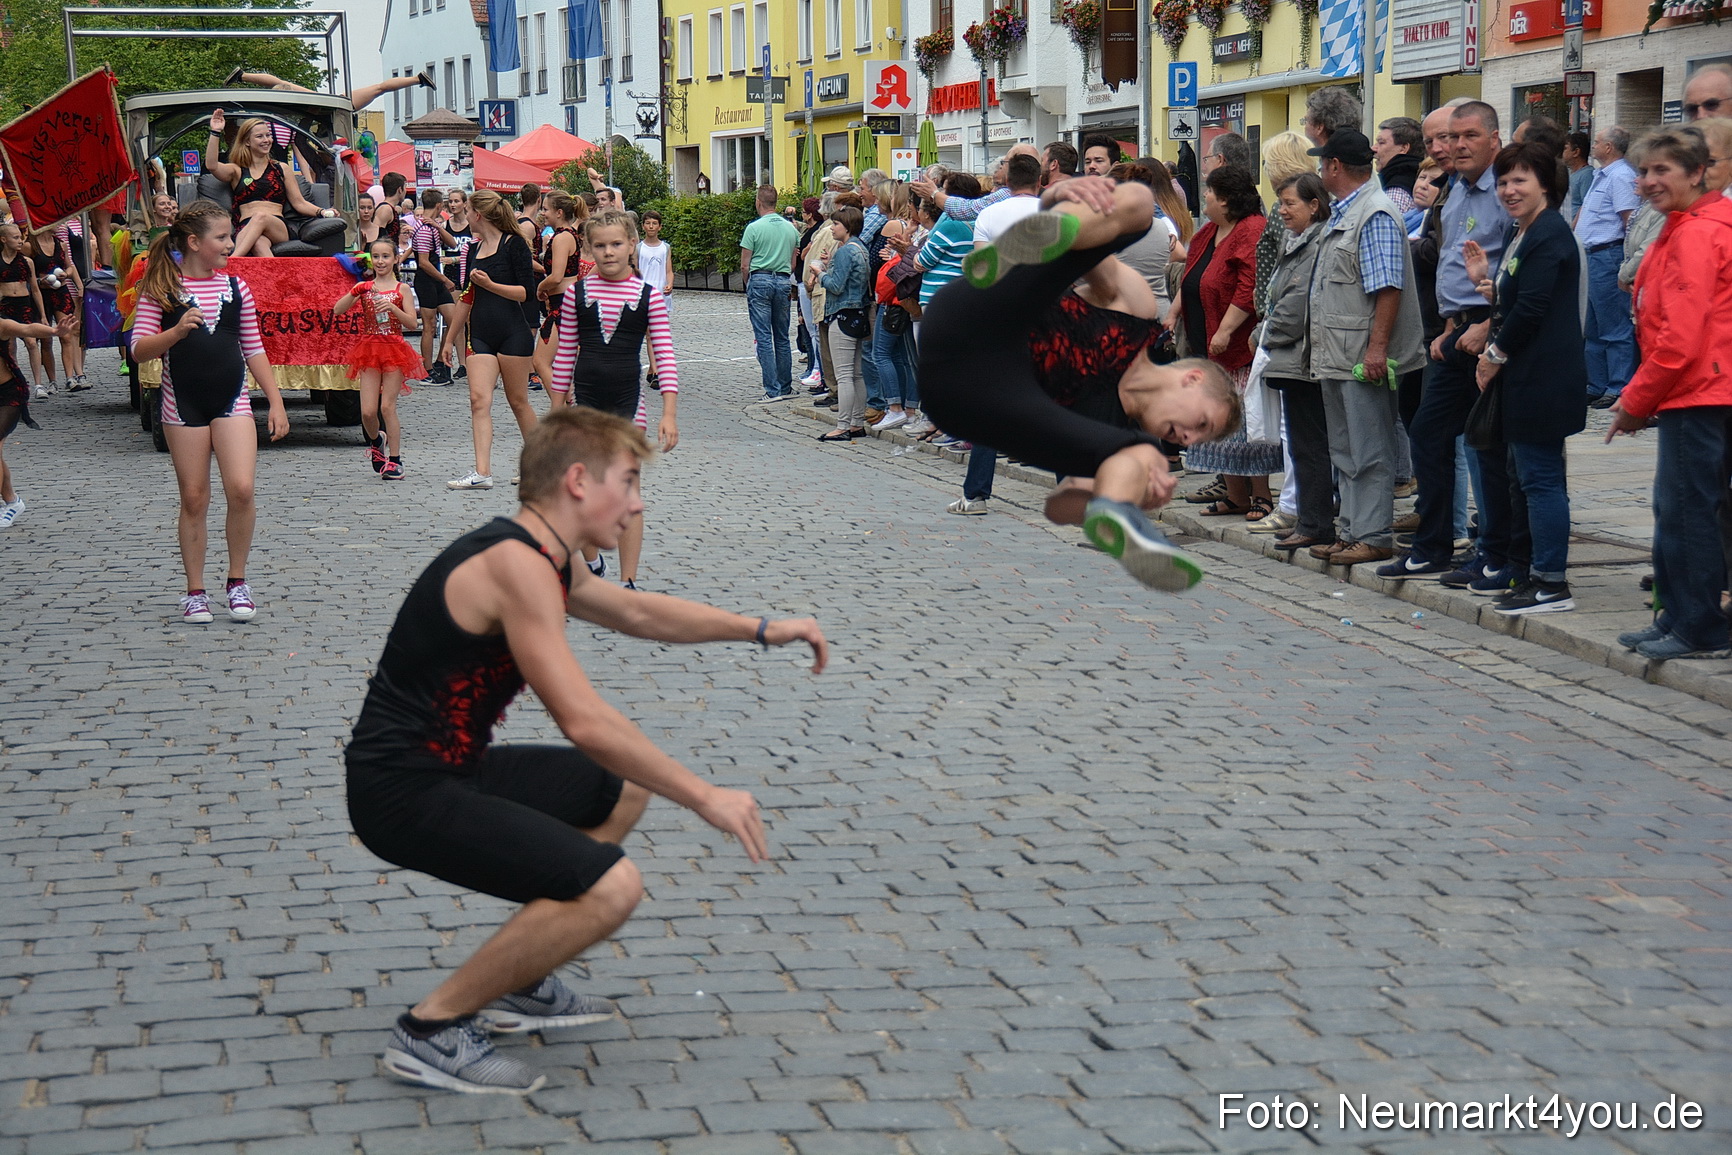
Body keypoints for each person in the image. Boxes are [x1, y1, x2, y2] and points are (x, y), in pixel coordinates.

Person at [919, 176, 1242, 591]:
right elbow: (1091, 253)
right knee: (1140, 202)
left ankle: (1120, 516)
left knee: (1136, 455)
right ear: (1192, 378)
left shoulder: (1115, 437)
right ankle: (1030, 239)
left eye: (1198, 438)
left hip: (965, 397)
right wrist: (1056, 198)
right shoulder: (1137, 309)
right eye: (1200, 423)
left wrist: (1113, 496)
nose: (1187, 438)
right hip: (986, 314)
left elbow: (1060, 505)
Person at [129, 200, 290, 624]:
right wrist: (177, 331)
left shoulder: (237, 288)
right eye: (222, 237)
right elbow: (138, 349)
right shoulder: (161, 291)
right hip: (181, 404)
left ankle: (237, 580)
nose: (230, 244)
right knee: (195, 498)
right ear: (194, 242)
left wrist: (275, 401)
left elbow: (253, 347)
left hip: (232, 400)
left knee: (241, 488)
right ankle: (195, 590)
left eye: (230, 236)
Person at [1607, 126, 1732, 660]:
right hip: (1698, 386)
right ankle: (1679, 616)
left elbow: (1680, 338)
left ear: (1697, 172)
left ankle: (1697, 625)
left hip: (1699, 389)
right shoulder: (1686, 224)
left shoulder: (1698, 231)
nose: (1648, 181)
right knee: (1680, 509)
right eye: (1643, 171)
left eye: (1662, 170)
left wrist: (1635, 400)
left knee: (1686, 511)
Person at [1458, 140, 1587, 614]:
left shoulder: (1549, 233)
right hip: (1527, 379)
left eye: (1520, 181)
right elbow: (1522, 295)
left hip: (1544, 379)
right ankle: (1531, 572)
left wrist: (1494, 353)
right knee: (1527, 479)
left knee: (1542, 481)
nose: (1509, 190)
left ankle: (1551, 581)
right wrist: (1487, 284)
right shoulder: (1527, 233)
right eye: (1505, 181)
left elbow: (1532, 309)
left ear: (1545, 185)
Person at [1404, 101, 1521, 588]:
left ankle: (1494, 552)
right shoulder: (1454, 191)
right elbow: (1452, 261)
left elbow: (1516, 267)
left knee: (1487, 446)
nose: (1455, 146)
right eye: (1451, 138)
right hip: (1456, 332)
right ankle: (1431, 547)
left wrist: (1487, 323)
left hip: (1489, 331)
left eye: (1469, 135)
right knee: (1428, 435)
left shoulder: (1505, 191)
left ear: (1494, 137)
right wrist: (1450, 327)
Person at [1299, 129, 1423, 569]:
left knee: (1369, 448)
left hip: (1360, 356)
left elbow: (1387, 287)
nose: (1318, 170)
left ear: (1334, 166)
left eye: (1321, 163)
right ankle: (1351, 530)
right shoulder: (1346, 212)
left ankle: (1372, 534)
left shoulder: (1374, 213)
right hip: (1339, 351)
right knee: (1346, 449)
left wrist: (1377, 349)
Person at [549, 211, 679, 590]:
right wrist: (557, 410)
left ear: (631, 245)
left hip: (628, 406)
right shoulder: (578, 293)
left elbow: (665, 354)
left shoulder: (647, 296)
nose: (609, 252)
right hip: (585, 406)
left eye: (617, 244)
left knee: (627, 492)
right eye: (601, 245)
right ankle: (592, 559)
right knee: (583, 490)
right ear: (589, 247)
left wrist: (668, 413)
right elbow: (565, 354)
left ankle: (628, 581)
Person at [1166, 166, 1273, 519]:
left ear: (1225, 199)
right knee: (1219, 423)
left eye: (1209, 192)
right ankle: (1236, 494)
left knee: (1243, 425)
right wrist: (1173, 314)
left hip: (1236, 346)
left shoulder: (1251, 230)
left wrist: (1226, 330)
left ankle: (1261, 495)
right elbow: (1191, 276)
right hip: (1204, 341)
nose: (1204, 197)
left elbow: (1249, 287)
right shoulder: (1207, 231)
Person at [1256, 174, 1332, 552]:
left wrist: (1263, 334)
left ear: (1314, 205)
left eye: (1290, 204)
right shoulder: (1296, 240)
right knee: (1300, 444)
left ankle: (1316, 522)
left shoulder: (1316, 243)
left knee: (1311, 444)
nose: (1282, 211)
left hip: (1305, 359)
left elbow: (1294, 304)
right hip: (1292, 358)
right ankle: (1310, 518)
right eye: (1281, 203)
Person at [450, 189, 539, 490]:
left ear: (478, 214)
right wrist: (448, 342)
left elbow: (526, 293)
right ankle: (482, 472)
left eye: (467, 208)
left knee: (518, 401)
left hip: (514, 331)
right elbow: (466, 297)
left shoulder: (514, 245)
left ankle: (540, 465)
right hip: (481, 335)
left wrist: (492, 284)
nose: (462, 213)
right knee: (478, 400)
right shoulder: (473, 250)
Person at [334, 237, 424, 481]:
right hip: (369, 348)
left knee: (387, 407)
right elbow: (337, 310)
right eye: (376, 256)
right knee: (367, 413)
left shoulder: (401, 289)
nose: (381, 261)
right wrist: (356, 290)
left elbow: (412, 323)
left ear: (396, 259)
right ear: (370, 259)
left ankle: (395, 460)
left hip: (394, 348)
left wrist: (393, 308)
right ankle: (377, 440)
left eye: (386, 256)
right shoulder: (366, 287)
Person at [204, 111, 339, 258]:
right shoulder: (237, 170)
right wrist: (216, 132)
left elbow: (299, 203)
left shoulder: (281, 168)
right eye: (259, 136)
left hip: (277, 227)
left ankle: (234, 261)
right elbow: (212, 166)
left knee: (260, 217)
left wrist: (322, 211)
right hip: (246, 227)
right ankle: (275, 281)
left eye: (268, 135)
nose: (266, 140)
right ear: (247, 141)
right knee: (259, 243)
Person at [1574, 126, 1640, 409]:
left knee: (1614, 326)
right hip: (1591, 257)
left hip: (1607, 255)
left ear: (1610, 147)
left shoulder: (1621, 176)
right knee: (1593, 326)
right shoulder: (1602, 176)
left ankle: (1619, 386)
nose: (1594, 145)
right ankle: (1596, 383)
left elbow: (1628, 221)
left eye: (1598, 142)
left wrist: (1625, 262)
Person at [809, 205, 871, 441]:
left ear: (847, 226)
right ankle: (856, 422)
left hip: (843, 313)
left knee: (844, 374)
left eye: (836, 224)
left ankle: (843, 425)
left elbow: (835, 286)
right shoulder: (861, 248)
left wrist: (820, 272)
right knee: (857, 373)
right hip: (858, 314)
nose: (832, 227)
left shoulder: (846, 251)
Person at [739, 185, 800, 403]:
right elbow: (793, 263)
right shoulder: (791, 229)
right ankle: (786, 386)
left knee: (764, 336)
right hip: (783, 280)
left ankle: (772, 389)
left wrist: (749, 283)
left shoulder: (753, 228)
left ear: (758, 202)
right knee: (782, 336)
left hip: (760, 279)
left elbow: (745, 265)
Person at [532, 191, 592, 405]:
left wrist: (540, 287)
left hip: (564, 305)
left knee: (540, 361)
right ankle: (564, 403)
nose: (543, 213)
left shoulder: (562, 237)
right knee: (556, 361)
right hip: (565, 302)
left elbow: (556, 277)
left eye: (546, 209)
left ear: (559, 212)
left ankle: (566, 403)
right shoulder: (568, 235)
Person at [0, 310, 53, 528]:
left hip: (9, 394)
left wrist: (55, 330)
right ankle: (12, 501)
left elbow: (27, 329)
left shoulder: (1, 325)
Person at [408, 189, 461, 384]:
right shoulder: (422, 229)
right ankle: (427, 370)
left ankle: (439, 361)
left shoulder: (433, 226)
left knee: (454, 319)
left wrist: (438, 227)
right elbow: (423, 262)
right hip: (426, 280)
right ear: (439, 206)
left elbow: (453, 243)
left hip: (435, 280)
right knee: (429, 326)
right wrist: (444, 279)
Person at [27, 225, 82, 397]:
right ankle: (52, 381)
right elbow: (24, 271)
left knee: (67, 335)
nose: (59, 226)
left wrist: (67, 273)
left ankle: (70, 377)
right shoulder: (30, 246)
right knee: (45, 340)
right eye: (55, 223)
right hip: (41, 293)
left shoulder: (61, 244)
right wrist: (39, 280)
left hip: (60, 291)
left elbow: (70, 266)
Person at [228, 67, 432, 112]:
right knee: (379, 89)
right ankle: (417, 79)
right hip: (335, 104)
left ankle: (417, 79)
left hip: (332, 102)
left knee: (380, 89)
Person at [0, 222, 49, 401]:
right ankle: (15, 382)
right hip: (5, 305)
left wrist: (43, 314)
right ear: (4, 240)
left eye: (20, 237)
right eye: (15, 238)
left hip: (24, 303)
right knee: (10, 346)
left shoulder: (26, 262)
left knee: (31, 342)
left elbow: (35, 289)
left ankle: (38, 384)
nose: (20, 241)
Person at [1374, 117, 1424, 218]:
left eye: (1381, 142)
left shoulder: (1395, 192)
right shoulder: (1417, 176)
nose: (1373, 148)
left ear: (1404, 148)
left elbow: (1387, 231)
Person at [637, 210, 672, 297]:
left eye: (654, 223)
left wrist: (670, 284)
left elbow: (668, 271)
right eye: (648, 223)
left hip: (661, 291)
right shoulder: (638, 248)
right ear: (643, 226)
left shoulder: (666, 248)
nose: (651, 226)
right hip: (643, 292)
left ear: (660, 227)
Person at [1564, 131, 1594, 220]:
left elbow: (1586, 206)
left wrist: (1573, 227)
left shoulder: (1587, 175)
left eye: (1565, 148)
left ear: (1576, 152)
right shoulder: (1568, 172)